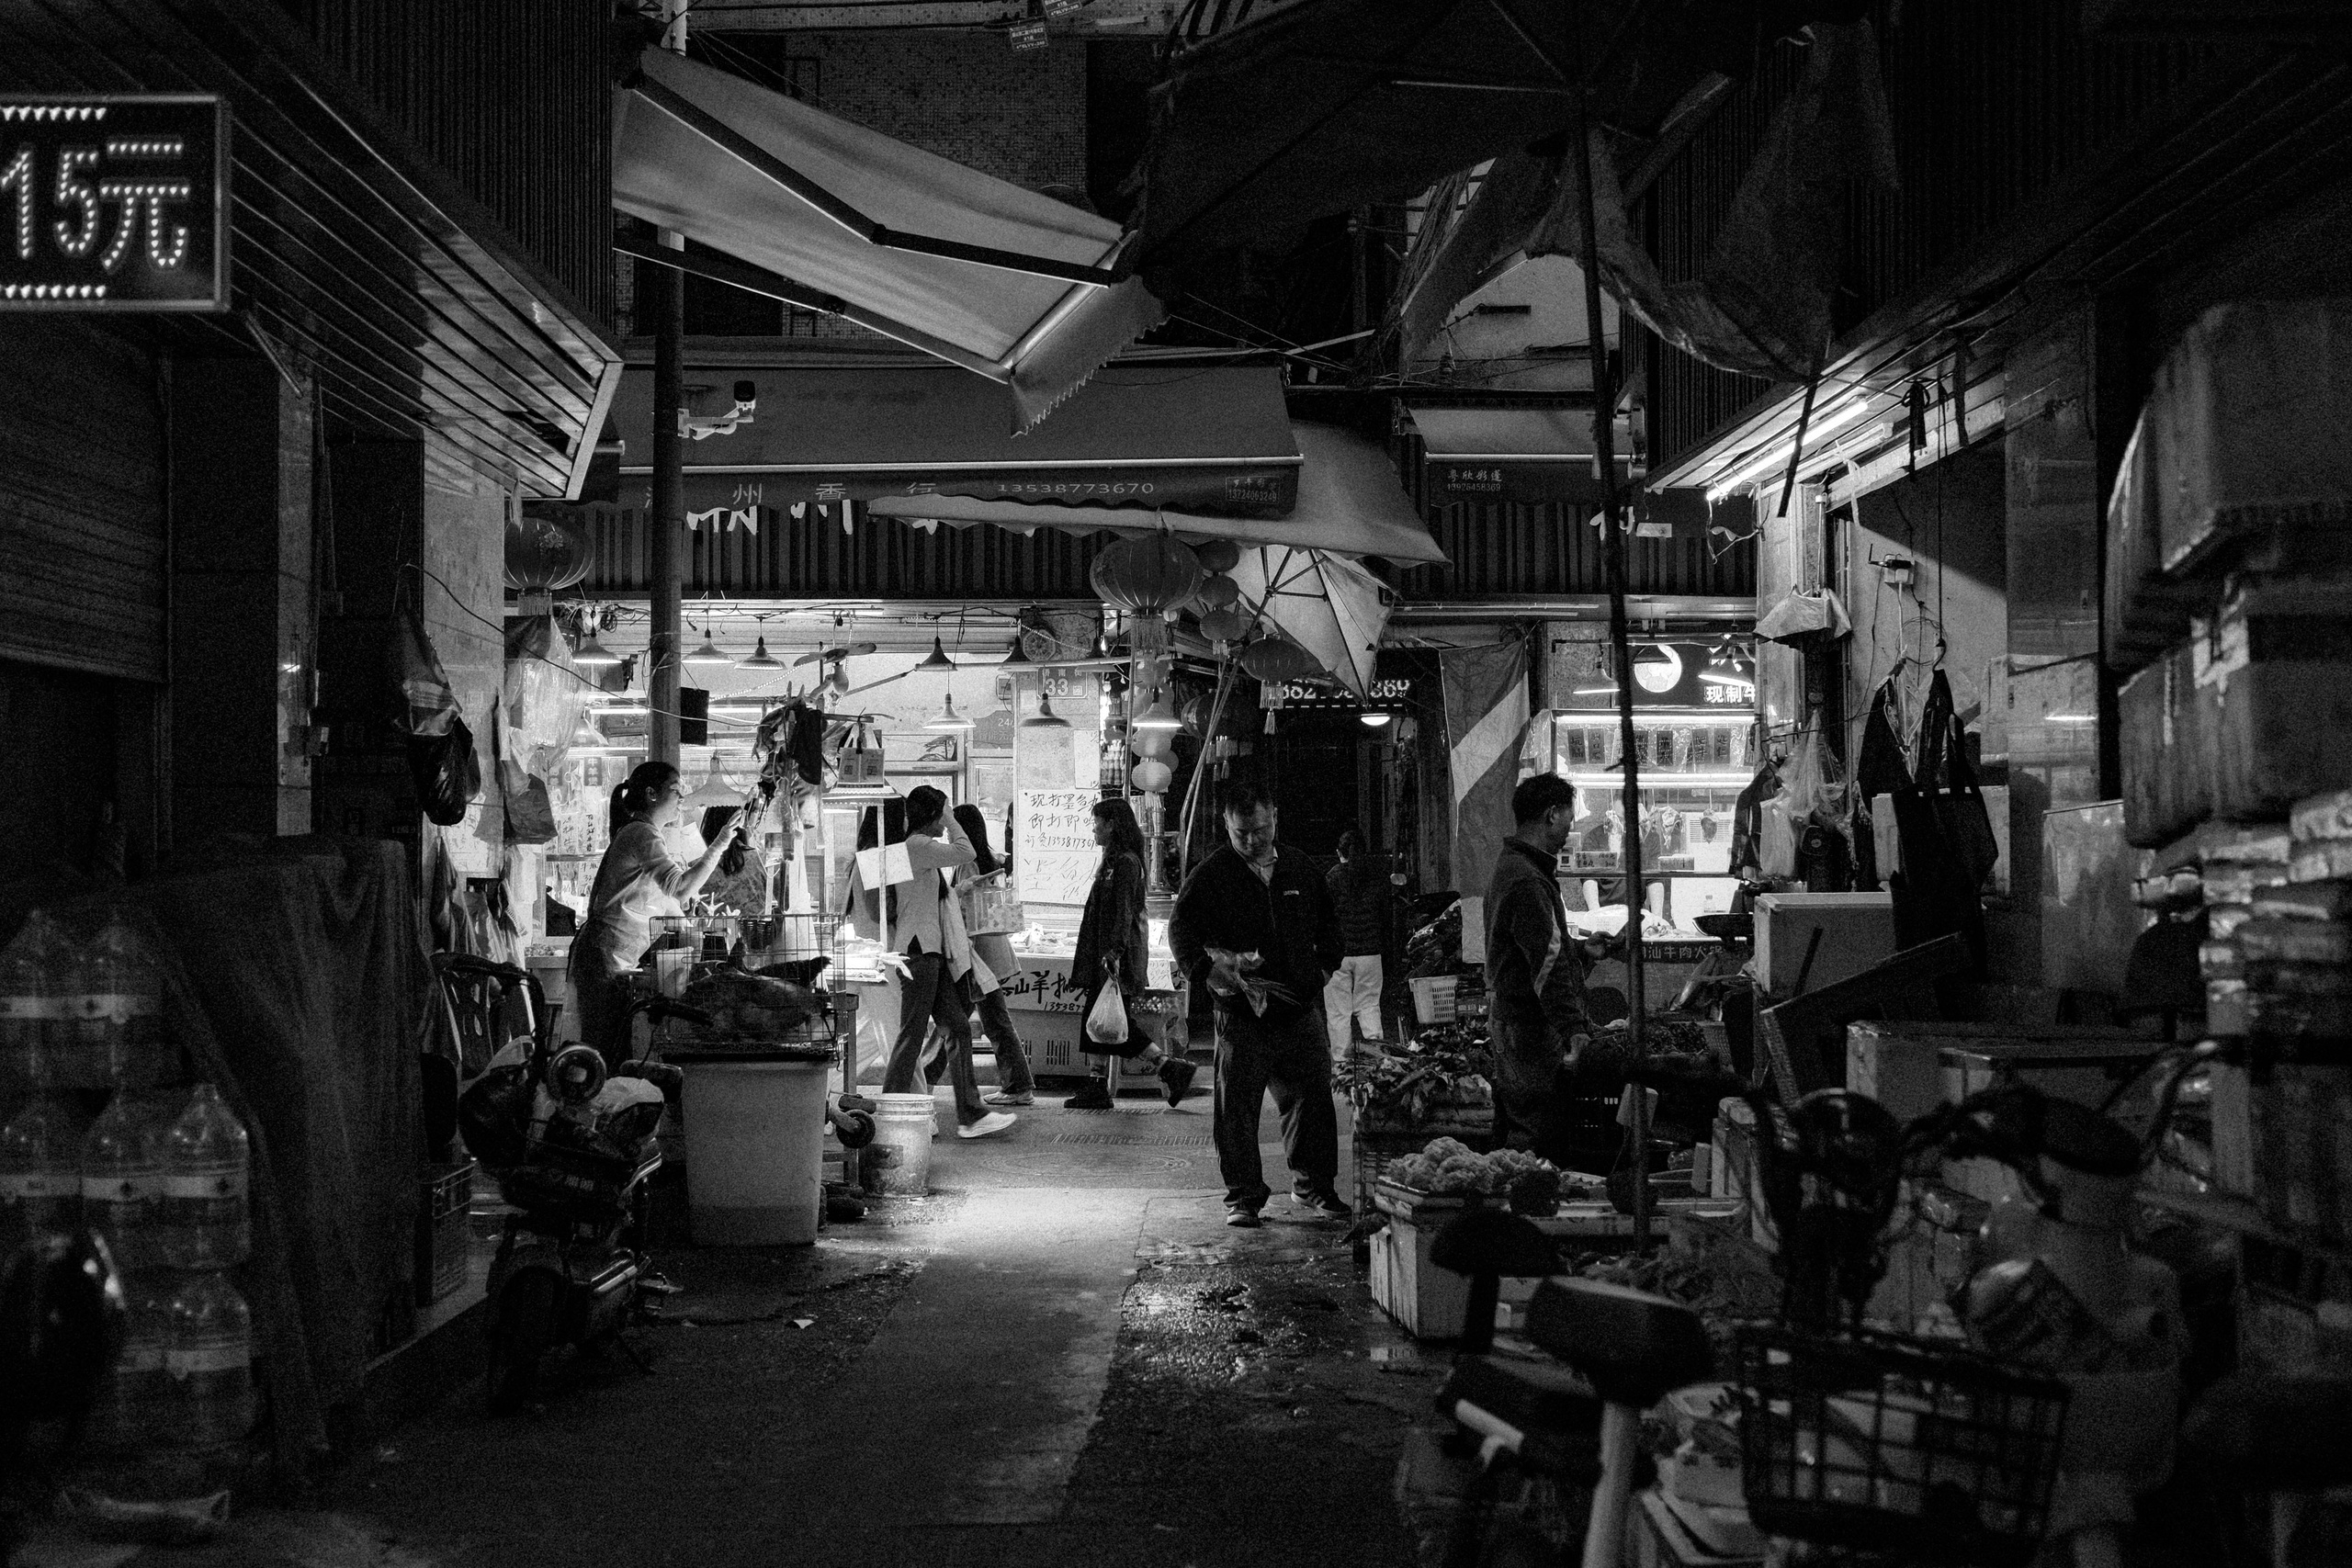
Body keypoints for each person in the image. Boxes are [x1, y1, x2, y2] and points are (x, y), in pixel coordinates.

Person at [1169, 776, 1348, 1227]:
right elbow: (1181, 929)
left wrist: (1322, 971)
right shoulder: (1211, 873)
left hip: (1299, 1010)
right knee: (1236, 1109)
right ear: (1226, 825)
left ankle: (1314, 1186)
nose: (1251, 841)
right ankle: (1244, 1197)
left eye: (1260, 830)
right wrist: (1206, 970)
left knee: (1312, 1100)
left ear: (1275, 819)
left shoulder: (1301, 868)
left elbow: (1330, 927)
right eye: (1240, 833)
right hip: (1240, 1014)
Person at [570, 762, 758, 1070]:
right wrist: (720, 843)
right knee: (602, 1052)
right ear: (651, 794)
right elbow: (680, 889)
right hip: (602, 954)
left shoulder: (644, 834)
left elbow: (673, 907)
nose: (682, 798)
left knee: (614, 1049)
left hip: (611, 956)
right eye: (675, 790)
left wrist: (699, 940)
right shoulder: (641, 833)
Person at [1485, 773, 1616, 1173]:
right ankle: (1527, 1203)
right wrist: (1574, 1029)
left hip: (1518, 1025)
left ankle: (1520, 1196)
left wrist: (1580, 950)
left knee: (1524, 1125)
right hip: (1527, 1030)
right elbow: (1546, 965)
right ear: (1551, 814)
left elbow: (1542, 947)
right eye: (1569, 819)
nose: (1570, 830)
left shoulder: (1521, 868)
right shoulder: (1526, 878)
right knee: (1534, 1134)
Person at [876, 786, 1016, 1141]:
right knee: (912, 1035)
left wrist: (959, 889)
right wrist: (952, 817)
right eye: (942, 812)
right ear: (933, 814)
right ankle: (893, 1112)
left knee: (956, 1027)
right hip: (920, 952)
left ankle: (971, 1114)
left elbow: (912, 898)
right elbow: (967, 850)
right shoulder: (918, 845)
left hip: (924, 951)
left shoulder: (907, 850)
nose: (945, 820)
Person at [1064, 798, 1197, 1110]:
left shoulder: (1125, 862)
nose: (1094, 829)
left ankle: (1165, 1066)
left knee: (1110, 1022)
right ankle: (1104, 1082)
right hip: (1109, 953)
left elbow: (1123, 911)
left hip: (1117, 957)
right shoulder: (1114, 861)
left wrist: (1114, 952)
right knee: (1101, 1020)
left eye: (1097, 823)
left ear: (1112, 825)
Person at [954, 803, 1037, 1108]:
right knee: (992, 1021)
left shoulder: (968, 864)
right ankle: (1017, 1085)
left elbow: (968, 915)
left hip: (979, 957)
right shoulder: (987, 858)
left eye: (953, 826)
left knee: (990, 1023)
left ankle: (1018, 1086)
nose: (949, 832)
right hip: (991, 952)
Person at [1321, 826, 1391, 1060]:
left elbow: (1322, 919)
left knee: (1339, 1013)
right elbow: (1385, 916)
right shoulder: (1376, 877)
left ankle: (1342, 1065)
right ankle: (1379, 1061)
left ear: (1338, 852)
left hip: (1338, 956)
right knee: (1369, 1006)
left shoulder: (1330, 878)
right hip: (1371, 954)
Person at [696, 804, 772, 916]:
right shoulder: (760, 859)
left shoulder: (697, 864)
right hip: (755, 925)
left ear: (708, 823)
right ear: (741, 824)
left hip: (709, 926)